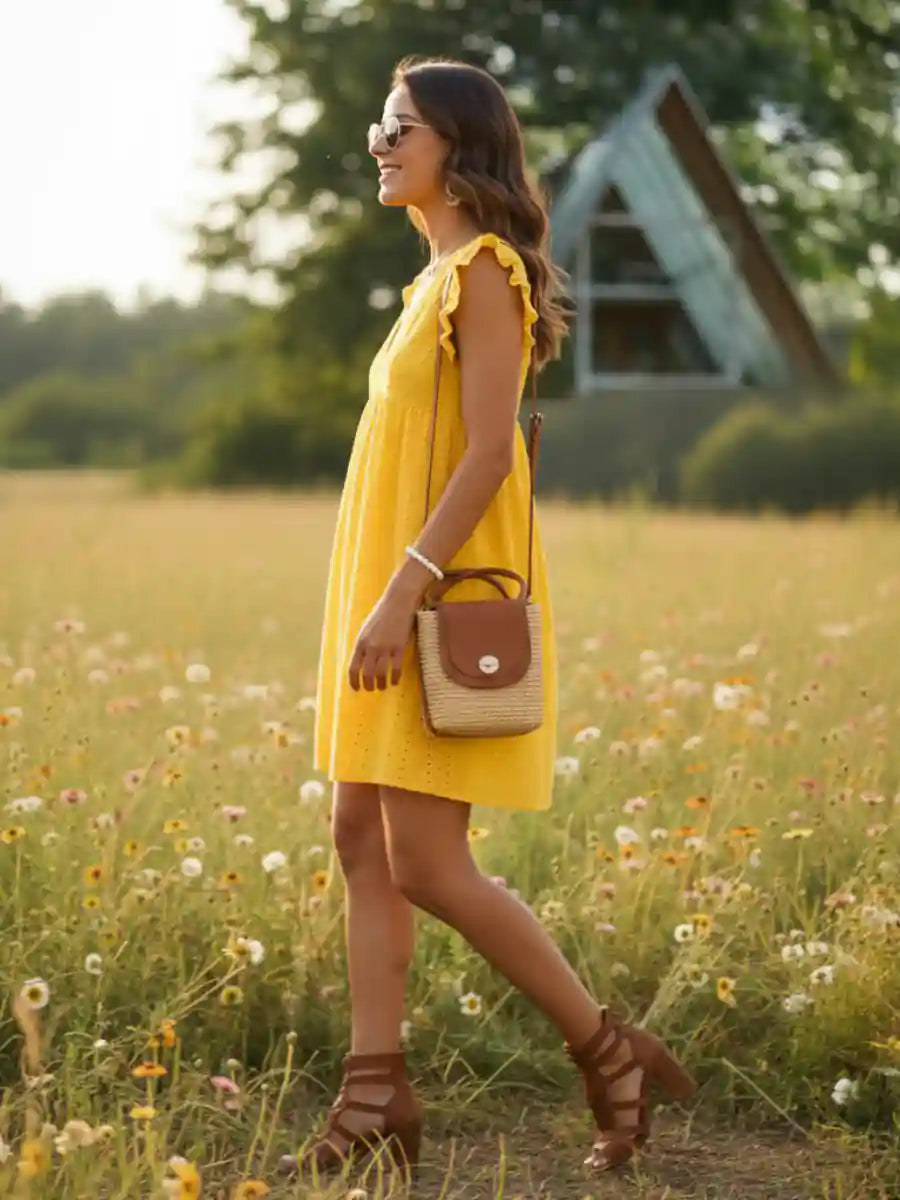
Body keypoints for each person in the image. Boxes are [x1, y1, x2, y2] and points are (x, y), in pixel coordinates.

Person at [307, 55, 694, 1179]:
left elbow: (488, 456)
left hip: (423, 593)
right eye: (380, 127)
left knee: (429, 863)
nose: (381, 145)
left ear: (461, 149)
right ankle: (374, 1090)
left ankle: (608, 1050)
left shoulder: (485, 272)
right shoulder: (429, 280)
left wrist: (401, 591)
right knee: (357, 839)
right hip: (385, 585)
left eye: (404, 130)